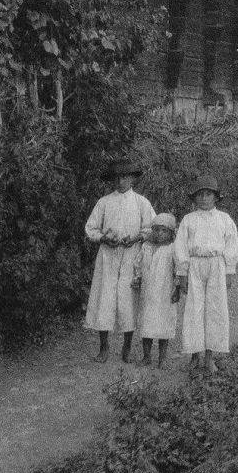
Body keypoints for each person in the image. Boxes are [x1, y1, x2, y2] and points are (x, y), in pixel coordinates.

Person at [84, 158, 154, 363]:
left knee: (127, 300)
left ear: (132, 179)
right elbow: (91, 228)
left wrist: (136, 238)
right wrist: (104, 238)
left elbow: (151, 228)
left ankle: (126, 347)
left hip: (131, 256)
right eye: (117, 177)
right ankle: (104, 347)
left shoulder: (142, 203)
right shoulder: (104, 202)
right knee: (104, 298)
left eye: (125, 177)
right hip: (108, 256)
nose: (121, 181)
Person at [174, 175, 238, 375]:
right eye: (200, 195)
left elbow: (232, 245)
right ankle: (195, 354)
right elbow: (180, 247)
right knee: (194, 309)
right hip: (194, 264)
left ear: (216, 197)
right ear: (194, 198)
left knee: (215, 309)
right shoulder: (188, 220)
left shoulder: (224, 219)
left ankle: (210, 357)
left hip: (216, 265)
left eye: (208, 194)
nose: (204, 198)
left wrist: (229, 270)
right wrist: (182, 272)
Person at [132, 212, 178, 369]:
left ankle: (162, 358)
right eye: (157, 230)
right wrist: (137, 278)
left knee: (163, 325)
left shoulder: (172, 249)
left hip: (165, 293)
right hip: (148, 293)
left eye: (164, 231)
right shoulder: (146, 247)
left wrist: (177, 287)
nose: (160, 234)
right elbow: (138, 264)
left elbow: (179, 269)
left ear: (171, 233)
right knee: (146, 325)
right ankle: (146, 356)